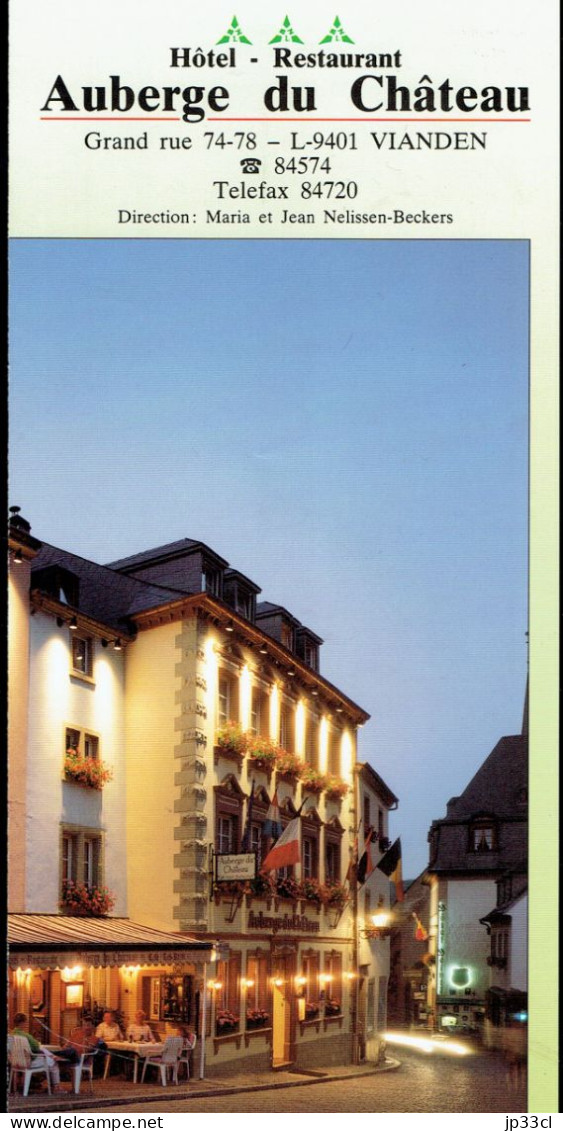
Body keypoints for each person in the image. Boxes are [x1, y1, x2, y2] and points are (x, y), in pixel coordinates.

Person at [11, 1013, 65, 1093]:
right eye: (26, 1022)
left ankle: (17, 1088)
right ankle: (56, 1087)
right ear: (23, 1023)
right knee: (53, 1063)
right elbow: (36, 1047)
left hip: (15, 1062)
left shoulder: (11, 1034)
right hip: (29, 1062)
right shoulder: (26, 1036)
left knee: (50, 1060)